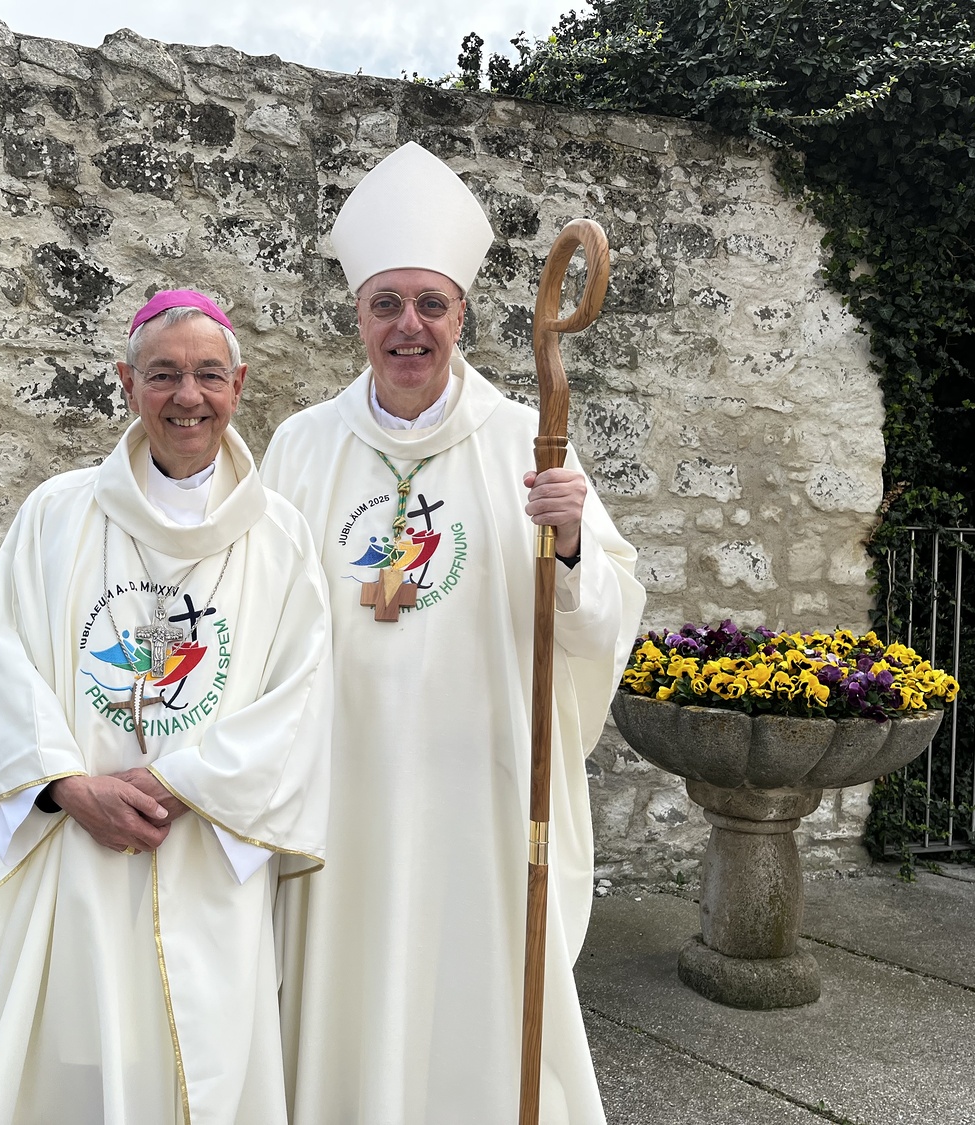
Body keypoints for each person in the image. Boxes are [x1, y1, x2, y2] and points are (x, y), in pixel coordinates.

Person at [261, 142, 646, 1124]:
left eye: (430, 304)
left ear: (461, 315)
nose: (410, 325)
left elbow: (605, 621)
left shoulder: (529, 440)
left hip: (482, 797)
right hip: (341, 802)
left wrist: (569, 543)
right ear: (358, 316)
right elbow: (252, 611)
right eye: (387, 303)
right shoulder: (301, 447)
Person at [0, 289, 333, 1125]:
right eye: (164, 374)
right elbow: (1, 666)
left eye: (208, 374)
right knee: (77, 1062)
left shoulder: (281, 538)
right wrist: (68, 787)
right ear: (126, 382)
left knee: (202, 1062)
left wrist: (184, 783)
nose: (188, 396)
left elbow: (301, 698)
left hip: (204, 855)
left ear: (239, 384)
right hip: (78, 853)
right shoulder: (56, 514)